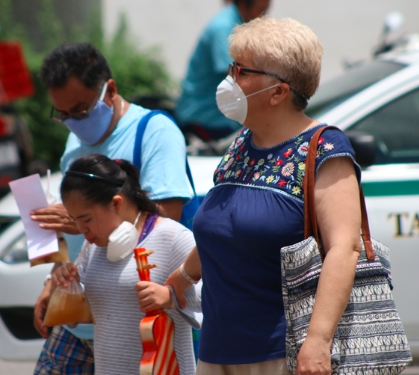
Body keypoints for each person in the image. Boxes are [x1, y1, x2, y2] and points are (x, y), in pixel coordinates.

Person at [166, 17, 363, 375]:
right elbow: (226, 229)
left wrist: (317, 341)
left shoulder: (325, 148)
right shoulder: (243, 142)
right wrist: (183, 276)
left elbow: (344, 248)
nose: (229, 81)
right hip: (217, 349)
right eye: (231, 68)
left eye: (241, 71)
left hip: (282, 354)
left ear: (278, 92)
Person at [31, 43, 194, 374]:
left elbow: (167, 216)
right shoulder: (74, 142)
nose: (73, 122)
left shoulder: (155, 132)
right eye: (62, 114)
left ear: (110, 90)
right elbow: (74, 229)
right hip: (78, 316)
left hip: (135, 321)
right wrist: (53, 281)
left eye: (80, 110)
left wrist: (81, 223)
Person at [52, 154, 201, 375]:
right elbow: (75, 316)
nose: (81, 230)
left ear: (116, 203)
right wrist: (67, 287)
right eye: (74, 220)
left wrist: (171, 296)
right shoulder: (94, 245)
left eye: (86, 219)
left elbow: (216, 297)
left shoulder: (172, 237)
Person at [176, 0, 270, 143]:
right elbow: (238, 78)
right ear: (243, 5)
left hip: (218, 118)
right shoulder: (224, 28)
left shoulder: (236, 24)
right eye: (262, 11)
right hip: (203, 120)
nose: (264, 18)